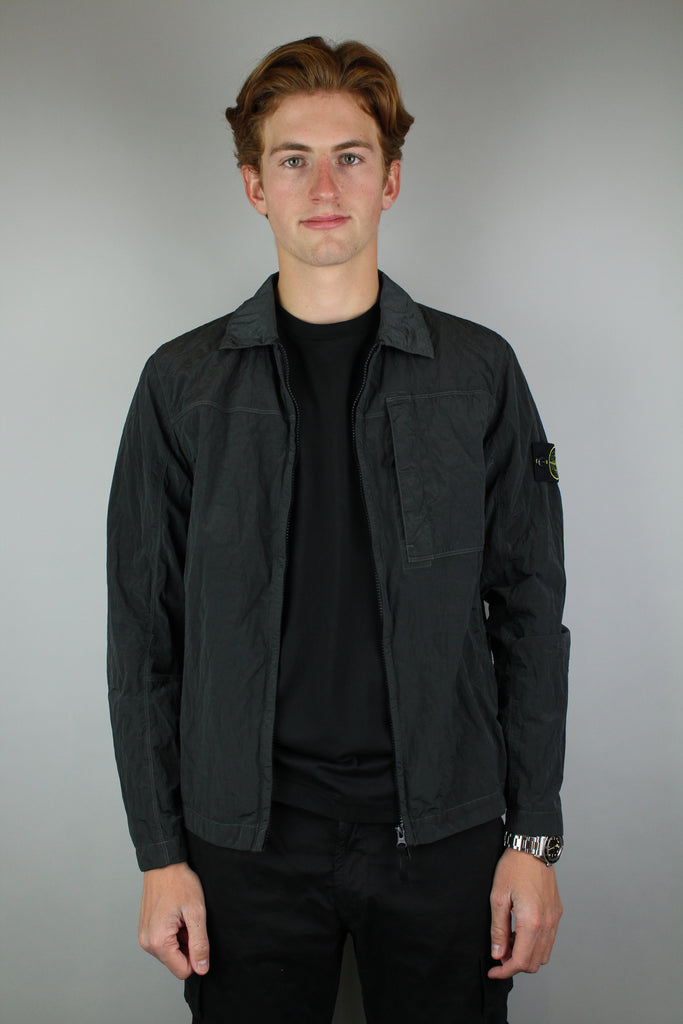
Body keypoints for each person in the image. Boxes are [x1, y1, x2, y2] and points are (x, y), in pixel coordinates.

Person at [107, 36, 569, 1024]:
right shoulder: (181, 386)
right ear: (253, 186)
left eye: (350, 156)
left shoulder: (477, 374)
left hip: (443, 835)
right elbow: (143, 637)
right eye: (293, 159)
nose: (323, 187)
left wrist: (531, 840)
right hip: (244, 845)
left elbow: (530, 614)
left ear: (390, 180)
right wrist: (160, 854)